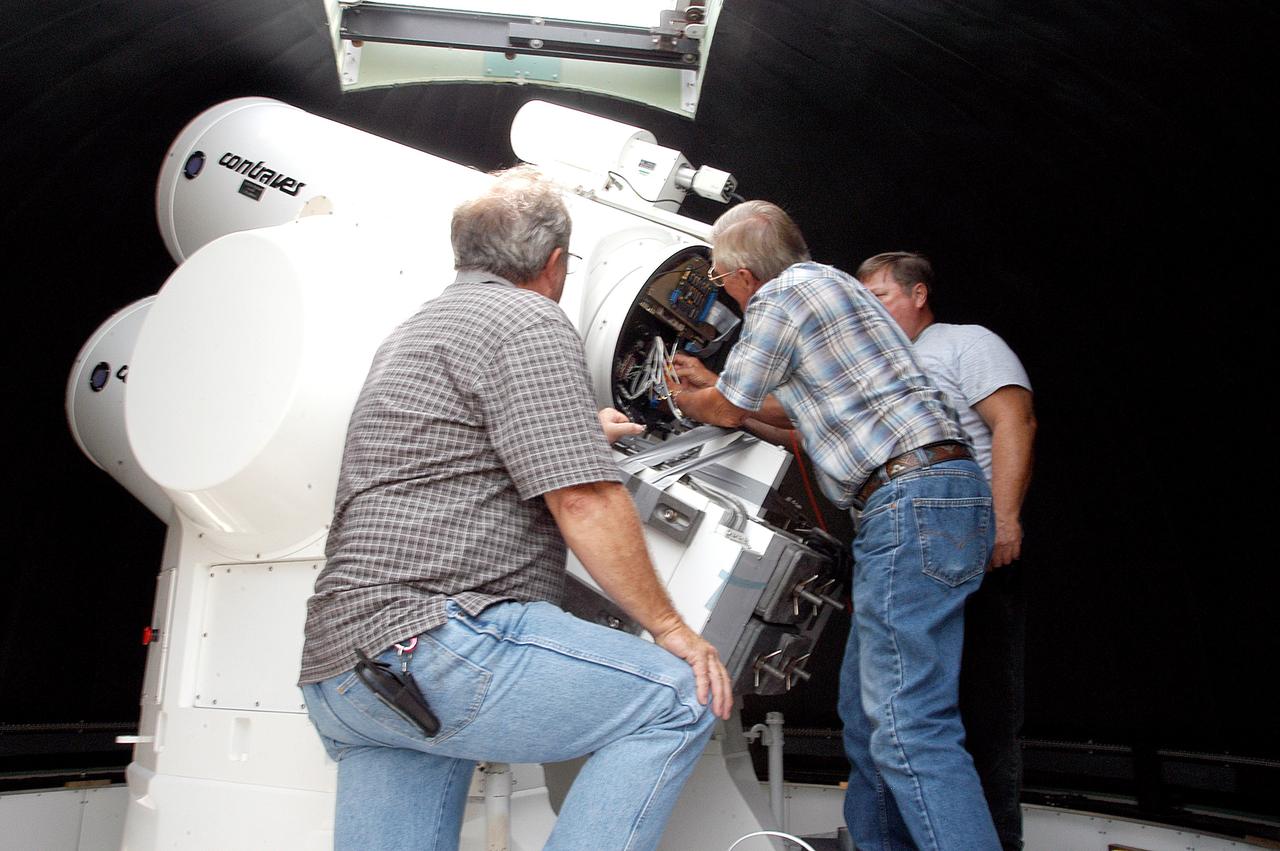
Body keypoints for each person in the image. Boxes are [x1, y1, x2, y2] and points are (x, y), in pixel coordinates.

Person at [298, 166, 732, 851]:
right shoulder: (529, 317)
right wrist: (671, 628)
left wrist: (582, 430)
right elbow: (584, 497)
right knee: (677, 697)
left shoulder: (415, 330)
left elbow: (455, 449)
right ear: (556, 262)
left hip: (347, 673)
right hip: (433, 643)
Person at [672, 200, 1000, 851]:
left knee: (909, 726)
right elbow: (795, 413)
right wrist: (718, 392)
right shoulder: (836, 286)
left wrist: (684, 394)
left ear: (740, 274)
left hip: (906, 504)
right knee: (863, 713)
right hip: (943, 493)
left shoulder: (776, 302)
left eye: (719, 280)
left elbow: (732, 408)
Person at [859, 251, 1036, 851]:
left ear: (918, 294)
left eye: (881, 296)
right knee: (902, 716)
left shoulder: (965, 343)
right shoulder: (879, 367)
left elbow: (1015, 421)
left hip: (973, 545)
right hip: (908, 549)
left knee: (982, 716)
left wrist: (1004, 519)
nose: (871, 310)